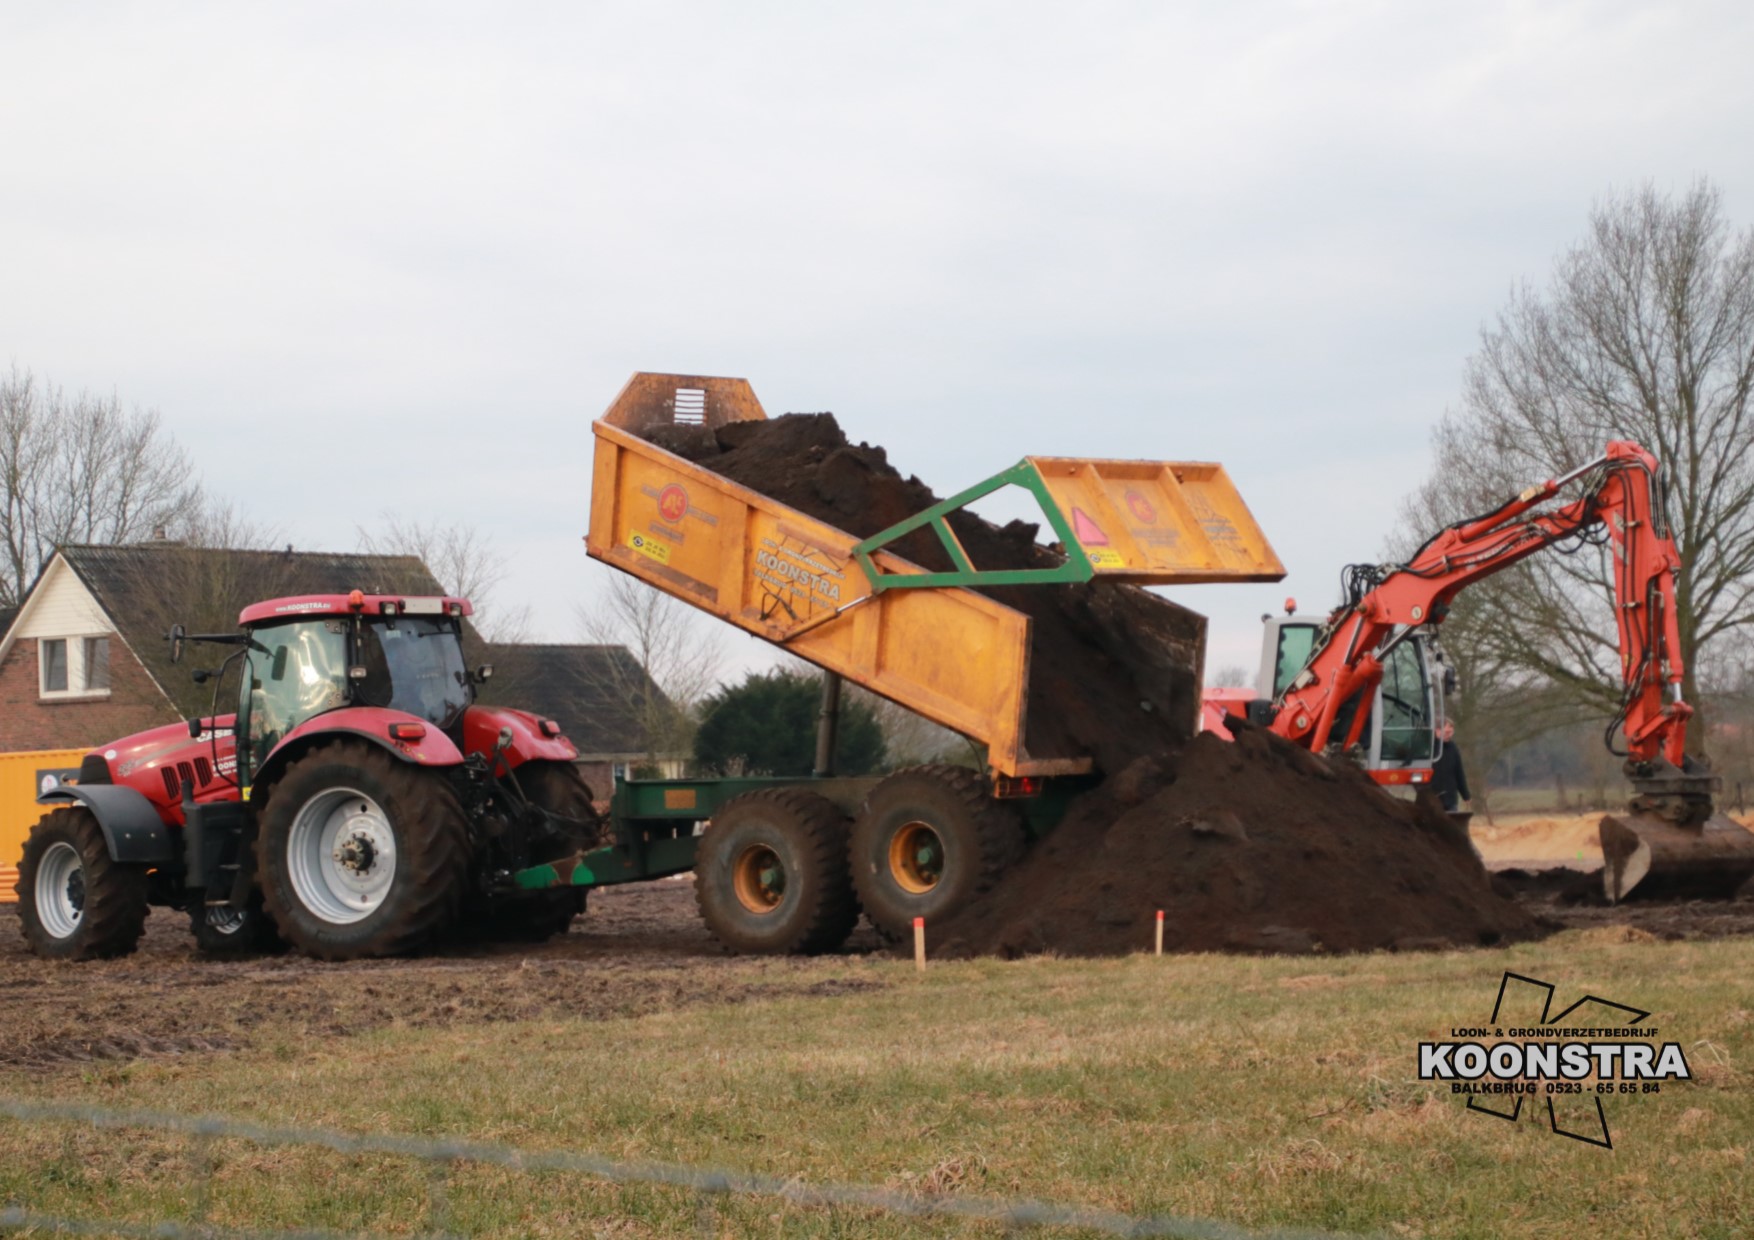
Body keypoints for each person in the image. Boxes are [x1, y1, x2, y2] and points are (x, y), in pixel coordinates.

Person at [1432, 719, 1470, 812]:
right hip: (1431, 797)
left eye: (1451, 732)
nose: (1450, 735)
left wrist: (1466, 795)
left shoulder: (1453, 747)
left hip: (1451, 799)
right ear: (1436, 730)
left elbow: (1459, 772)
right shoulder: (1427, 747)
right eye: (1447, 732)